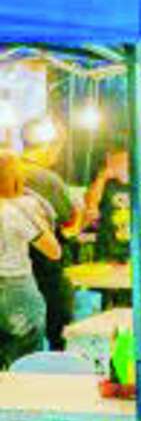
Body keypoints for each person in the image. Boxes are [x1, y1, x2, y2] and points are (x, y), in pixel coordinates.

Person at [19, 121, 80, 350]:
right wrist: (80, 215)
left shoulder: (9, 171)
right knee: (59, 335)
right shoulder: (46, 180)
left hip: (11, 273)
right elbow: (66, 225)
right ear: (48, 146)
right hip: (44, 271)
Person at [0, 150, 61, 368]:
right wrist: (37, 217)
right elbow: (53, 251)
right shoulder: (15, 211)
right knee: (24, 359)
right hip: (15, 287)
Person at [84, 147, 133, 263]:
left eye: (122, 161)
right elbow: (91, 203)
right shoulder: (103, 183)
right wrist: (102, 178)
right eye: (113, 161)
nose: (118, 165)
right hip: (107, 250)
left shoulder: (136, 185)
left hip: (132, 249)